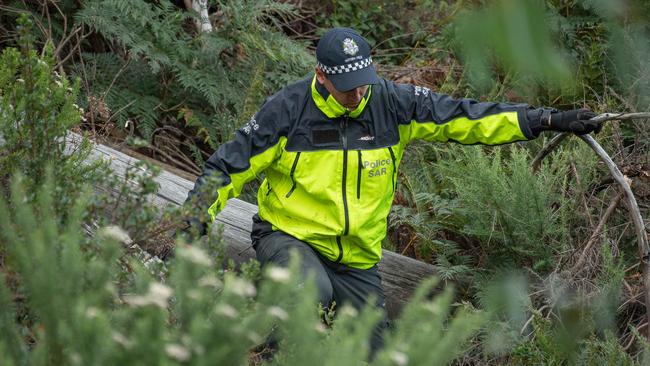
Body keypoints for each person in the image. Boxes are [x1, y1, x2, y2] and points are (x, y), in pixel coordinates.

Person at [183, 27, 600, 357]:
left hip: (357, 259)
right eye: (348, 87)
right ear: (321, 75)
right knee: (309, 292)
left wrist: (544, 119)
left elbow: (464, 116)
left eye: (364, 82)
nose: (359, 94)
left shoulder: (391, 103)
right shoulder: (288, 111)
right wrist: (193, 223)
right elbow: (227, 167)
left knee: (377, 351)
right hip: (289, 238)